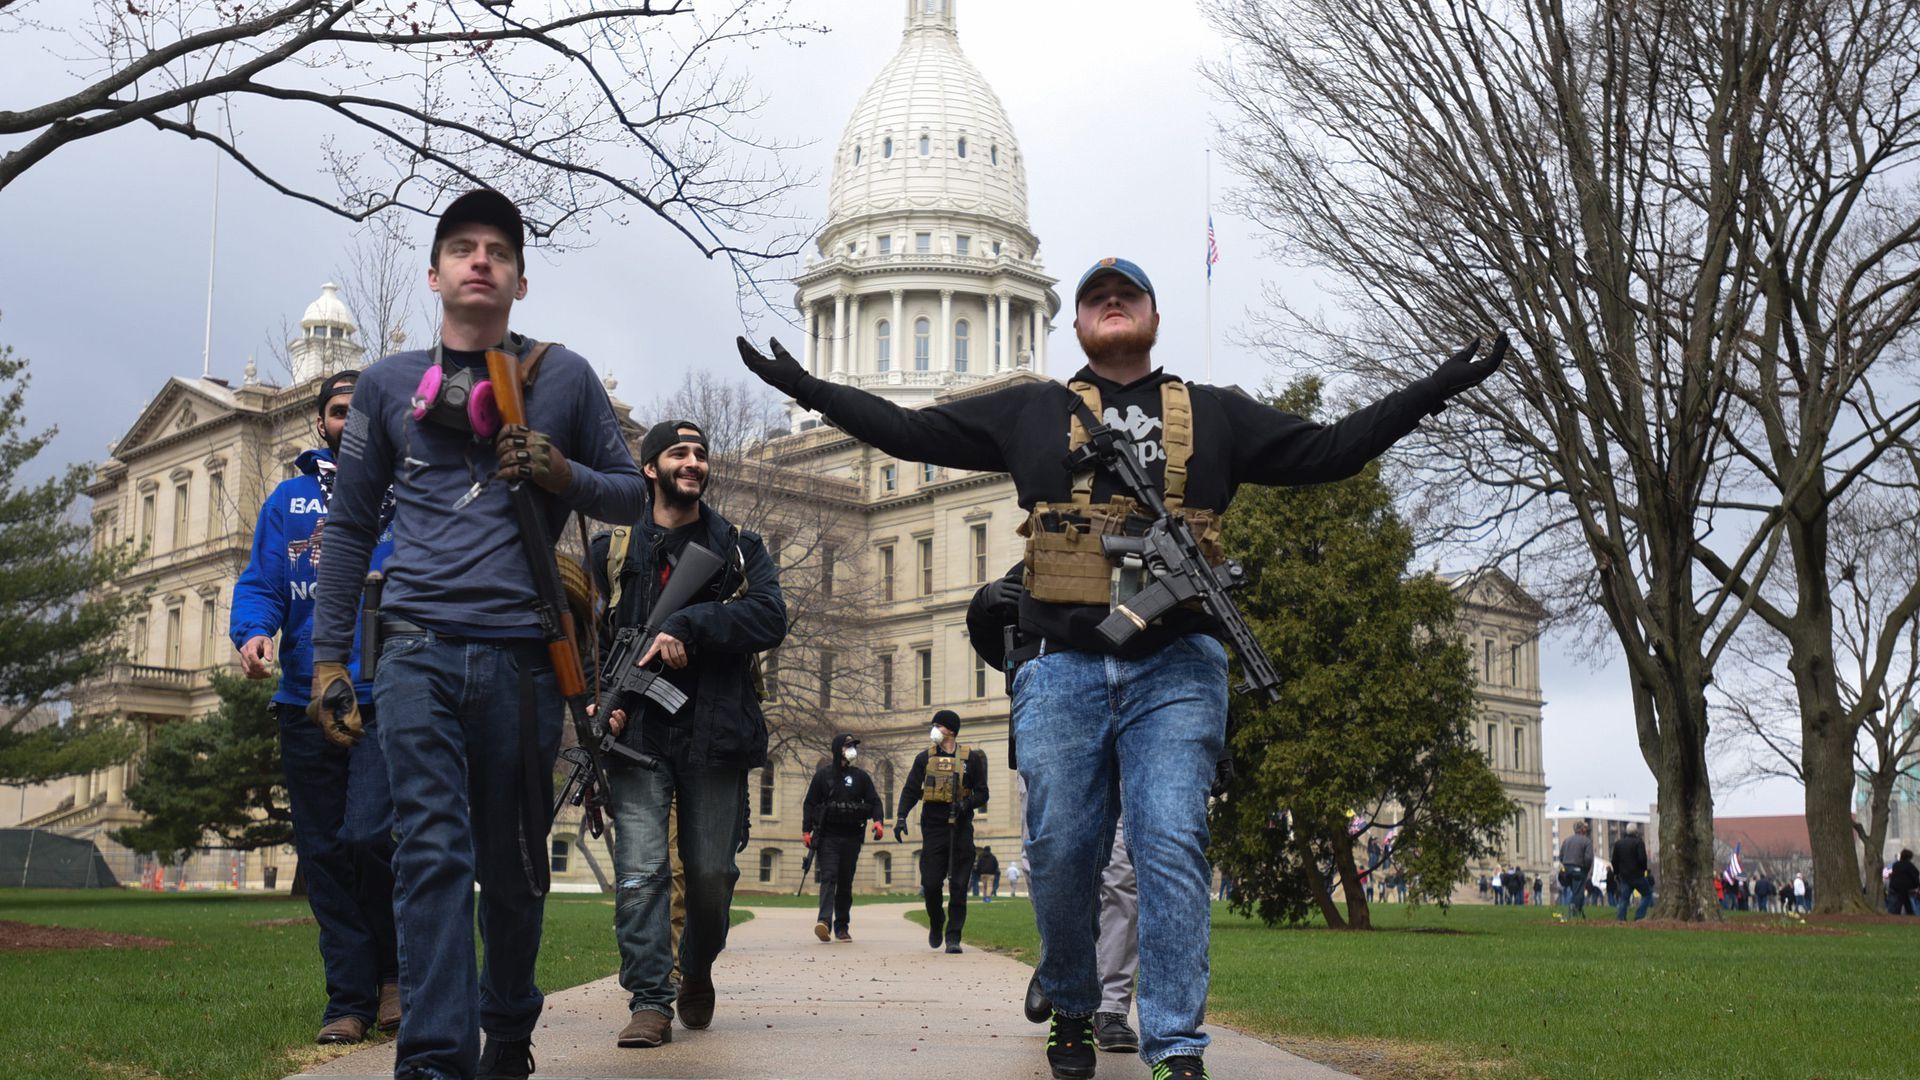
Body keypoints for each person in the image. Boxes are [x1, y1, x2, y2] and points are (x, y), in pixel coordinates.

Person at [740, 255, 1505, 1080]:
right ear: (1074, 325)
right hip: (1062, 663)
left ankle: (1177, 1045)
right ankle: (1073, 1004)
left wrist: (1436, 387)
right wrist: (812, 389)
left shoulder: (1215, 415)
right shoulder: (1031, 409)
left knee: (1171, 841)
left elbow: (1330, 451)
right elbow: (908, 431)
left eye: (1126, 294)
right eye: (1095, 297)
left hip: (1178, 664)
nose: (1111, 304)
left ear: (1152, 316)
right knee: (1061, 846)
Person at [311, 189, 648, 1080]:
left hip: (526, 656)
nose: (479, 260)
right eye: (461, 247)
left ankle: (508, 1033)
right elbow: (347, 528)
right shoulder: (385, 385)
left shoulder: (562, 377)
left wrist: (560, 468)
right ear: (435, 273)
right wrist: (329, 659)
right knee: (428, 854)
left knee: (512, 869)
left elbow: (633, 494)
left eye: (496, 250)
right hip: (417, 645)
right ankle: (431, 1062)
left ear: (519, 280)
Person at [591, 419, 788, 1048]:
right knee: (640, 873)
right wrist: (603, 703)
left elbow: (770, 616)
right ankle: (649, 998)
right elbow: (589, 642)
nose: (693, 462)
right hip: (640, 737)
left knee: (710, 876)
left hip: (716, 733)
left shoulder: (738, 548)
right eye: (678, 452)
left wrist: (691, 625)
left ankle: (696, 967)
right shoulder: (612, 552)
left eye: (701, 454)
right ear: (650, 468)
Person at [230, 370, 399, 1046]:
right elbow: (262, 582)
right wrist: (254, 633)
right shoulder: (289, 500)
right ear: (321, 423)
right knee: (325, 855)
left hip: (386, 697)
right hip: (303, 697)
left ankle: (394, 976)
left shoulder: (407, 499)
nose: (350, 419)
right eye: (338, 410)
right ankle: (349, 1001)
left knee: (370, 836)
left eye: (362, 411)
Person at [895, 710, 990, 954]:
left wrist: (965, 804)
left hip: (960, 827)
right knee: (931, 882)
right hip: (934, 827)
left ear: (951, 730)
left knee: (959, 885)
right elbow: (910, 790)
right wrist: (901, 817)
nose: (934, 729)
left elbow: (982, 793)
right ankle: (936, 921)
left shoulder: (971, 759)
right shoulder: (924, 758)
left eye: (939, 725)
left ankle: (954, 936)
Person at [801, 733, 886, 942]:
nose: (852, 749)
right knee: (829, 877)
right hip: (828, 837)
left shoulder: (861, 777)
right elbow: (810, 803)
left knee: (845, 883)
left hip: (852, 837)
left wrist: (878, 821)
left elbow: (874, 801)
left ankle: (842, 926)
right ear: (838, 748)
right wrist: (806, 830)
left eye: (853, 746)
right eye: (848, 746)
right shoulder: (823, 776)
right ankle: (824, 922)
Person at [1610, 823, 1653, 922]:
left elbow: (1614, 860)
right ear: (1636, 832)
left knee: (1624, 898)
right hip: (1637, 875)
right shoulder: (1639, 843)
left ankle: (1621, 918)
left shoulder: (1618, 844)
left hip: (1624, 876)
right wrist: (1644, 870)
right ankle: (1639, 915)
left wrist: (1617, 873)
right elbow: (1642, 859)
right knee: (1647, 894)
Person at [1559, 823, 1594, 919]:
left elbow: (1561, 856)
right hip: (1579, 869)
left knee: (1575, 892)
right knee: (1578, 892)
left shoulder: (1566, 840)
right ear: (1582, 830)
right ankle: (1572, 911)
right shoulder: (1587, 841)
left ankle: (1576, 911)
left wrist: (1566, 865)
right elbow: (1589, 858)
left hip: (1567, 870)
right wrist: (1586, 869)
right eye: (1585, 829)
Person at [1889, 849, 1918, 915]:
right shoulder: (1910, 866)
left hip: (1895, 887)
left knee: (1896, 907)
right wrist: (1916, 885)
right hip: (1905, 888)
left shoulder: (1896, 865)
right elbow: (1915, 875)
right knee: (1907, 906)